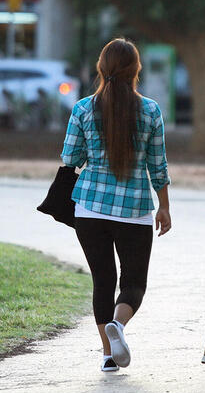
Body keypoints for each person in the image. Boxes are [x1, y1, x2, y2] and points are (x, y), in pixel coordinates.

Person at [61, 38, 172, 373]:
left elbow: (71, 158)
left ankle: (109, 354)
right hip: (135, 209)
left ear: (101, 69)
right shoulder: (151, 111)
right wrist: (164, 206)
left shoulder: (82, 109)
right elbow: (158, 166)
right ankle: (119, 326)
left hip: (89, 209)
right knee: (133, 281)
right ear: (136, 70)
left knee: (103, 280)